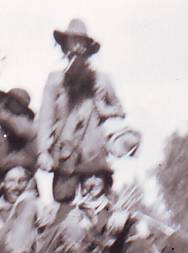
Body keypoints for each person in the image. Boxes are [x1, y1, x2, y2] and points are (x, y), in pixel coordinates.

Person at [36, 18, 138, 207]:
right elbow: (45, 119)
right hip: (65, 157)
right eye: (72, 42)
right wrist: (43, 152)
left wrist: (104, 109)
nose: (76, 48)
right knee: (63, 207)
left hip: (94, 157)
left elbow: (120, 110)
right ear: (65, 48)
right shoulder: (55, 81)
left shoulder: (102, 80)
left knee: (98, 210)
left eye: (80, 42)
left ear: (87, 48)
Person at [0, 152, 55, 253]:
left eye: (22, 181)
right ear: (1, 184)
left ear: (30, 183)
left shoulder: (37, 205)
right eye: (11, 181)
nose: (16, 186)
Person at [0, 87, 38, 170]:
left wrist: (1, 112)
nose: (7, 103)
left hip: (21, 168)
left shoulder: (25, 123)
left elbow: (21, 130)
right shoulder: (2, 128)